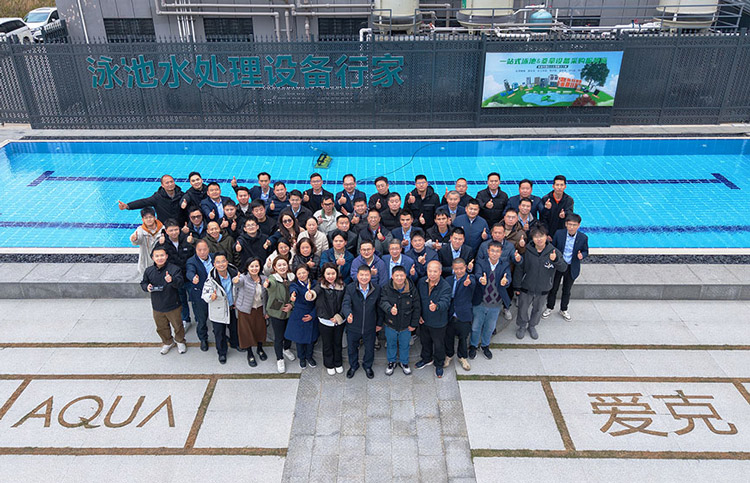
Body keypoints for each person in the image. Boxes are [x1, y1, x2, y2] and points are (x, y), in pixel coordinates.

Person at [513, 226, 567, 340]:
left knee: (537, 309)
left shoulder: (553, 251)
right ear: (532, 238)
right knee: (522, 308)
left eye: (541, 236)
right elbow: (519, 269)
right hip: (526, 286)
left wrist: (555, 260)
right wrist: (517, 286)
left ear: (546, 237)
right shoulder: (526, 251)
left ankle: (532, 326)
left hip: (543, 287)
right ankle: (522, 326)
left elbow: (563, 268)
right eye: (536, 237)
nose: (539, 239)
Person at [140, 247, 186, 355]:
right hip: (157, 305)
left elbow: (180, 283)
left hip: (173, 304)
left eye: (162, 255)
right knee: (161, 327)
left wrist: (172, 280)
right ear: (153, 258)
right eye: (157, 256)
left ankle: (180, 341)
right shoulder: (149, 271)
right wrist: (147, 287)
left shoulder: (174, 269)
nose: (160, 258)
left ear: (166, 256)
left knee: (178, 326)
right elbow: (143, 283)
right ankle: (167, 342)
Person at [470, 242, 511, 360]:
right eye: (492, 251)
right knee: (476, 327)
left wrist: (506, 281)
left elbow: (508, 277)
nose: (494, 253)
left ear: (501, 253)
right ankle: (473, 346)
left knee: (490, 327)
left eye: (497, 251)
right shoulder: (481, 262)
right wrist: (480, 279)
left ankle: (485, 345)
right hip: (480, 302)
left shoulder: (504, 265)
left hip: (495, 303)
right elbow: (477, 274)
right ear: (488, 251)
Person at [543, 213, 589, 321]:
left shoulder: (583, 237)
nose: (572, 227)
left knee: (567, 290)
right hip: (559, 265)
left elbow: (586, 251)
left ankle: (564, 309)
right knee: (553, 288)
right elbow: (552, 247)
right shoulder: (559, 234)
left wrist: (582, 255)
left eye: (574, 225)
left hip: (571, 266)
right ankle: (549, 307)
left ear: (578, 225)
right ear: (566, 224)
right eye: (570, 224)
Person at [378, 265, 420, 376]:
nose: (399, 278)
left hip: (406, 325)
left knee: (404, 345)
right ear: (392, 276)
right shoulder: (386, 288)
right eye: (397, 275)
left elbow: (417, 307)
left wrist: (414, 324)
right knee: (391, 344)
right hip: (390, 323)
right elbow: (382, 301)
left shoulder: (412, 289)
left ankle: (404, 362)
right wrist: (390, 309)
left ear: (405, 275)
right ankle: (391, 362)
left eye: (401, 275)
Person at [154, 219, 195, 331]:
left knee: (195, 299)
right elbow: (154, 256)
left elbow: (196, 253)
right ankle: (185, 319)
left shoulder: (186, 239)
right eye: (171, 230)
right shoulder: (163, 243)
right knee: (181, 300)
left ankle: (199, 319)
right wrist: (159, 244)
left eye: (176, 229)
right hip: (175, 278)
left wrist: (192, 242)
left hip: (188, 276)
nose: (174, 232)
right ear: (166, 231)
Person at [342, 265, 381, 379]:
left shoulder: (377, 288)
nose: (364, 277)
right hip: (353, 325)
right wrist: (348, 313)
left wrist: (379, 323)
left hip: (370, 325)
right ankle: (353, 366)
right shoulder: (350, 288)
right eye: (361, 275)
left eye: (366, 275)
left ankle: (367, 366)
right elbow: (346, 303)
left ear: (370, 276)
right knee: (352, 348)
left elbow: (379, 307)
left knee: (369, 348)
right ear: (357, 276)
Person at [201, 252, 240, 364]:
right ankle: (222, 352)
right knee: (219, 333)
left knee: (234, 328)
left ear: (227, 262)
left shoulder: (234, 273)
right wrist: (211, 297)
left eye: (223, 261)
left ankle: (235, 343)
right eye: (218, 262)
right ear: (214, 264)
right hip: (218, 309)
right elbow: (205, 295)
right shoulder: (211, 279)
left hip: (232, 307)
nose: (221, 264)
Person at [416, 260, 451, 378]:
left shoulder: (445, 286)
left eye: (435, 271)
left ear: (440, 272)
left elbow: (446, 302)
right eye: (430, 271)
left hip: (438, 322)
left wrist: (437, 306)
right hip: (424, 320)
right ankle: (426, 359)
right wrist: (419, 315)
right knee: (424, 341)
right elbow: (418, 300)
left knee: (439, 345)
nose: (432, 274)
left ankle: (439, 364)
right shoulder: (421, 282)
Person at [312, 263, 347, 375]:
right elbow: (314, 293)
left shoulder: (342, 286)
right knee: (327, 344)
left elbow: (345, 303)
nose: (330, 276)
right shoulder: (320, 285)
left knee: (338, 343)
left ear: (337, 273)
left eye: (333, 273)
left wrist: (339, 316)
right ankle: (329, 364)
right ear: (323, 274)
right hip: (325, 321)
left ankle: (338, 362)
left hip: (339, 321)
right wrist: (310, 294)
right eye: (328, 274)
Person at [263, 257, 297, 373]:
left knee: (289, 333)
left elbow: (295, 293)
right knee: (279, 337)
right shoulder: (272, 278)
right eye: (279, 265)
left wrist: (291, 305)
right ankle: (279, 359)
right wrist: (267, 285)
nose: (282, 267)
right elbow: (271, 285)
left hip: (290, 311)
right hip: (277, 311)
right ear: (275, 268)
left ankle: (286, 349)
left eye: (284, 264)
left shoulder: (292, 277)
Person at [233, 258, 268, 367]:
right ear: (247, 267)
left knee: (260, 330)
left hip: (259, 308)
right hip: (245, 310)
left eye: (256, 266)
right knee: (246, 332)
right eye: (251, 266)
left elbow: (267, 295)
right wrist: (235, 280)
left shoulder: (264, 278)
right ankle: (249, 353)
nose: (254, 268)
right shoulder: (243, 278)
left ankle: (260, 348)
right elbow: (238, 282)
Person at [285, 264, 319, 369]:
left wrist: (313, 315)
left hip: (312, 312)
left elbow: (319, 302)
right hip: (299, 314)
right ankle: (302, 358)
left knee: (311, 339)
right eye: (299, 273)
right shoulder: (295, 284)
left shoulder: (315, 283)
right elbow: (293, 289)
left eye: (304, 272)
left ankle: (309, 356)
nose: (302, 275)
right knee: (299, 339)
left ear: (308, 272)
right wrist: (293, 294)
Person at [444, 258, 475, 371]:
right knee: (448, 337)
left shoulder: (470, 278)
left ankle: (462, 357)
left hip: (464, 313)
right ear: (453, 268)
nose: (459, 271)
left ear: (465, 267)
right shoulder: (448, 279)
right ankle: (449, 355)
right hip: (450, 313)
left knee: (463, 337)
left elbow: (473, 284)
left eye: (461, 268)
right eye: (456, 269)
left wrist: (469, 283)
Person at [118, 174, 185, 224]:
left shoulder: (181, 195)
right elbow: (144, 202)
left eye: (171, 182)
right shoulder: (158, 197)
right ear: (162, 185)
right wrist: (128, 206)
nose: (170, 184)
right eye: (167, 183)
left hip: (181, 226)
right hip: (165, 227)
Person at [185, 240, 214, 351]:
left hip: (214, 293)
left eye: (204, 249)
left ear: (208, 249)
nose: (202, 252)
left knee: (217, 317)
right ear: (196, 250)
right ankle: (203, 338)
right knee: (201, 319)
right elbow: (189, 271)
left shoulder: (214, 257)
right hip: (200, 294)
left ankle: (219, 334)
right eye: (199, 250)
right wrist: (193, 277)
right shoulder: (191, 261)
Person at [130, 207, 164, 275]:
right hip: (146, 263)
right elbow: (137, 239)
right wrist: (134, 239)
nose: (149, 219)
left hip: (161, 262)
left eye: (150, 217)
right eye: (146, 218)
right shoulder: (140, 230)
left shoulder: (163, 229)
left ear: (155, 217)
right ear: (142, 220)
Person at [540, 175, 574, 241]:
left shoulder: (569, 200)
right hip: (548, 233)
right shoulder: (546, 199)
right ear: (553, 186)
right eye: (557, 185)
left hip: (562, 233)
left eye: (561, 185)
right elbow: (542, 218)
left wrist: (565, 214)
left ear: (565, 186)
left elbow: (570, 215)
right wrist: (546, 234)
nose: (559, 187)